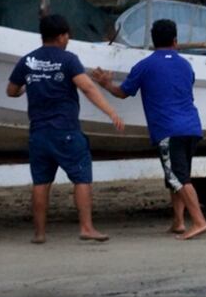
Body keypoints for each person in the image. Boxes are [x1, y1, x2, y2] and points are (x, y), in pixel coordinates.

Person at [7, 14, 124, 244]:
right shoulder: (68, 59)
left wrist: (24, 89)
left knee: (41, 182)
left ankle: (39, 234)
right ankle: (86, 227)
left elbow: (10, 90)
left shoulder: (27, 60)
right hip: (66, 130)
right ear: (61, 36)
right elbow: (88, 87)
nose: (68, 39)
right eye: (67, 35)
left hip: (38, 132)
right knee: (81, 177)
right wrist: (110, 111)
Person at [90, 19, 206, 240]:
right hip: (192, 127)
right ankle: (179, 222)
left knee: (178, 178)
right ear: (175, 41)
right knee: (176, 176)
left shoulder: (144, 66)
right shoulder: (186, 65)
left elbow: (123, 93)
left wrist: (105, 83)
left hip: (168, 129)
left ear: (154, 42)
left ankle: (199, 221)